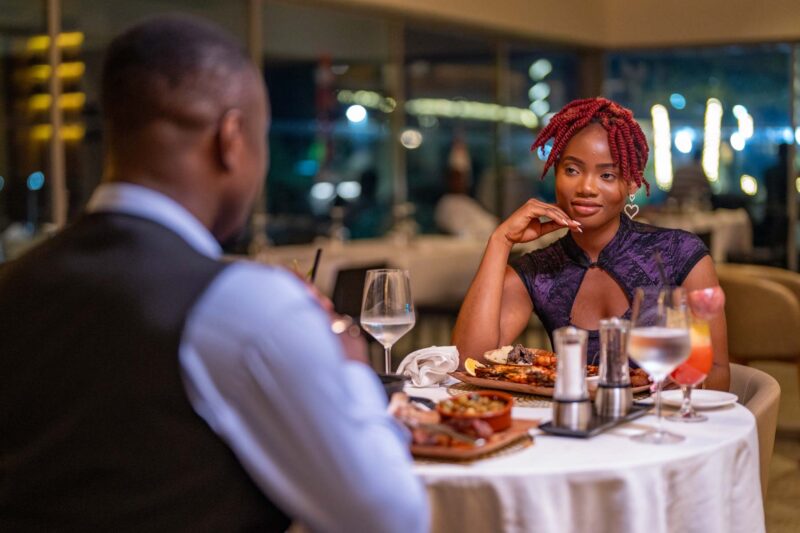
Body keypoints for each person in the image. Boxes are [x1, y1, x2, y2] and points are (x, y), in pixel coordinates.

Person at [0, 16, 428, 532]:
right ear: (231, 138)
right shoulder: (245, 304)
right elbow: (390, 518)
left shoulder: (14, 281)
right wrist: (353, 371)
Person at [452, 97, 730, 391]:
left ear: (633, 183)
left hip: (663, 427)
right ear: (555, 172)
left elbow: (715, 373)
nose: (586, 187)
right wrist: (500, 241)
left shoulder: (679, 253)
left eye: (607, 175)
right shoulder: (537, 270)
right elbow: (468, 363)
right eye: (572, 170)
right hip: (576, 428)